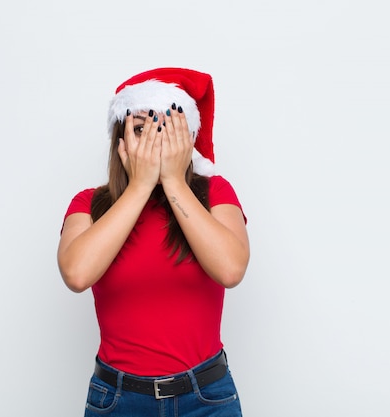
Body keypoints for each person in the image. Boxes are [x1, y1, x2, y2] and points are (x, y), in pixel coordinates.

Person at [57, 67, 250, 416]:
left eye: (166, 127)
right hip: (117, 399)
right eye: (141, 128)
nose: (153, 140)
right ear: (120, 141)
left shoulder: (215, 194)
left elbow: (231, 269)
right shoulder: (88, 204)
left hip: (206, 397)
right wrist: (140, 185)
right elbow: (77, 274)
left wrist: (174, 181)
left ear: (186, 136)